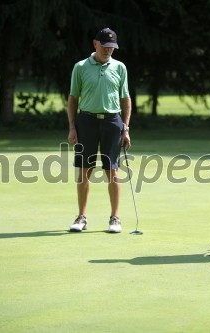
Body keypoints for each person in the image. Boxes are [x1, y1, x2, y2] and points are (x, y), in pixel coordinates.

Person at [67, 28, 131, 233]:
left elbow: (125, 99)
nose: (108, 50)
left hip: (113, 121)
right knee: (84, 170)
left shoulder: (120, 67)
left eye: (112, 47)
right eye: (105, 46)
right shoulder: (80, 67)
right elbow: (73, 98)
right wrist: (71, 127)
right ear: (95, 44)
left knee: (112, 170)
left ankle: (115, 218)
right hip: (86, 120)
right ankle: (81, 217)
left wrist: (126, 128)